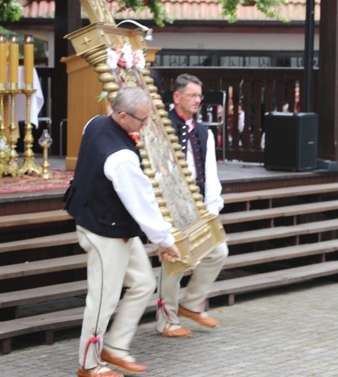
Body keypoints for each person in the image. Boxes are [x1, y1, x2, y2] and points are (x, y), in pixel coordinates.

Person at [65, 86, 181, 377]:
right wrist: (166, 241)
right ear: (120, 114)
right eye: (141, 120)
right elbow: (141, 203)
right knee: (103, 299)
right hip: (103, 232)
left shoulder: (94, 123)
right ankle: (88, 363)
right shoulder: (121, 158)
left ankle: (115, 347)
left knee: (143, 282)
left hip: (112, 225)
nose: (145, 126)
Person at [158, 74, 229, 338]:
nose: (198, 100)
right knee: (174, 263)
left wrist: (212, 209)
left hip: (198, 205)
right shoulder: (160, 127)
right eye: (193, 95)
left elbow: (210, 173)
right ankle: (167, 321)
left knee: (219, 251)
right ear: (177, 97)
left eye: (200, 96)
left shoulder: (204, 132)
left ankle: (191, 303)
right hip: (169, 204)